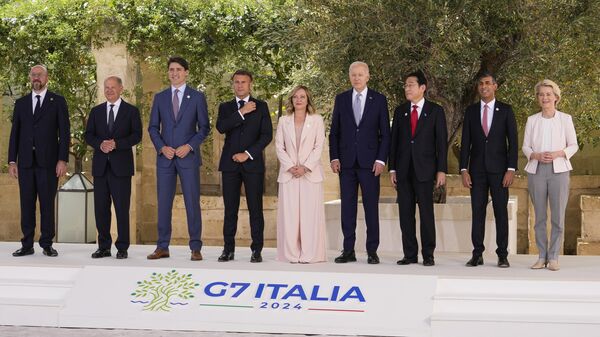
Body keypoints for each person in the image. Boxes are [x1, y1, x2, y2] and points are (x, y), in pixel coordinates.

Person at [147, 56, 210, 261]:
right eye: (171, 69)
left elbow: (204, 128)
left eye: (179, 69)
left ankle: (195, 247)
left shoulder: (197, 97)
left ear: (186, 72)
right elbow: (153, 127)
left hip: (188, 158)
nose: (174, 73)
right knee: (163, 203)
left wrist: (189, 146)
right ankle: (162, 246)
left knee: (192, 202)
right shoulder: (160, 97)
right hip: (165, 159)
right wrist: (162, 147)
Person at [329, 61, 390, 264]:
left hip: (370, 164)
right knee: (347, 208)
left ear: (368, 76)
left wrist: (381, 159)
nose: (356, 78)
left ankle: (372, 251)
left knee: (371, 208)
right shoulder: (341, 99)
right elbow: (334, 131)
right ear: (349, 76)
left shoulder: (379, 100)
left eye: (360, 74)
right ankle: (348, 250)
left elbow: (385, 134)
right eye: (353, 74)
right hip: (345, 164)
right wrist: (334, 157)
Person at [8, 64, 70, 257]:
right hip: (25, 163)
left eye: (40, 75)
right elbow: (15, 134)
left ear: (46, 78)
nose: (36, 78)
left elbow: (65, 134)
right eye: (33, 75)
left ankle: (46, 243)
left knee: (47, 205)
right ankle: (27, 244)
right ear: (30, 77)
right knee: (26, 204)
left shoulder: (58, 101)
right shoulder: (21, 103)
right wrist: (12, 161)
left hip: (49, 163)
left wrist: (62, 160)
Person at [389, 70, 447, 267]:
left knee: (426, 214)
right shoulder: (400, 111)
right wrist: (392, 169)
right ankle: (410, 254)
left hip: (426, 170)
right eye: (405, 85)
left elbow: (441, 144)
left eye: (411, 85)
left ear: (423, 87)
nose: (407, 88)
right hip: (403, 171)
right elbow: (394, 142)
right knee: (406, 214)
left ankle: (428, 254)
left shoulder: (436, 111)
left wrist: (441, 170)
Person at [459, 71, 518, 268]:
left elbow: (513, 143)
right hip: (476, 172)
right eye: (480, 84)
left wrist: (511, 169)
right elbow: (465, 141)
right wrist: (463, 169)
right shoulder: (471, 111)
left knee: (500, 211)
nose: (483, 86)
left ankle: (502, 254)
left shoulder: (506, 110)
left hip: (500, 171)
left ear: (495, 86)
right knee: (477, 212)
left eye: (487, 83)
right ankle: (477, 254)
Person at [216, 70, 273, 263]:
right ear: (233, 84)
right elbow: (221, 127)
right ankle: (228, 250)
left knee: (255, 209)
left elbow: (266, 135)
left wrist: (247, 154)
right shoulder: (226, 107)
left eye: (244, 82)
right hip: (229, 165)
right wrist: (241, 112)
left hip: (252, 165)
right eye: (237, 82)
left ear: (250, 84)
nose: (240, 85)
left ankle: (256, 250)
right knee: (229, 209)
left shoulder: (262, 106)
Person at [84, 76, 142, 259]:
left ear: (121, 89)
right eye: (106, 87)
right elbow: (88, 135)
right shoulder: (96, 111)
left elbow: (137, 136)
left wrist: (117, 143)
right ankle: (104, 246)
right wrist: (100, 144)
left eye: (112, 87)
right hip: (100, 168)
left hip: (121, 168)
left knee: (122, 209)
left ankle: (123, 247)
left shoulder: (131, 111)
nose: (109, 90)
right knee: (101, 209)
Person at [523, 79, 578, 271]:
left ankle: (553, 257)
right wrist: (535, 155)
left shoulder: (566, 119)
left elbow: (573, 145)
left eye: (548, 94)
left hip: (559, 171)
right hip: (536, 170)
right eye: (541, 94)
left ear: (556, 97)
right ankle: (541, 256)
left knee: (557, 216)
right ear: (538, 98)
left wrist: (558, 153)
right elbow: (526, 146)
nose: (545, 97)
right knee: (539, 216)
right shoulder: (532, 120)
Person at [275, 85, 327, 263]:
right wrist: (291, 166)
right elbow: (279, 147)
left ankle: (310, 254)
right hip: (288, 174)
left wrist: (305, 167)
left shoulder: (317, 120)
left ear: (307, 99)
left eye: (302, 97)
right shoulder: (283, 120)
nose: (298, 100)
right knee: (289, 216)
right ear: (291, 99)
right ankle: (290, 254)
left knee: (309, 216)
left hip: (310, 174)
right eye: (295, 97)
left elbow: (318, 146)